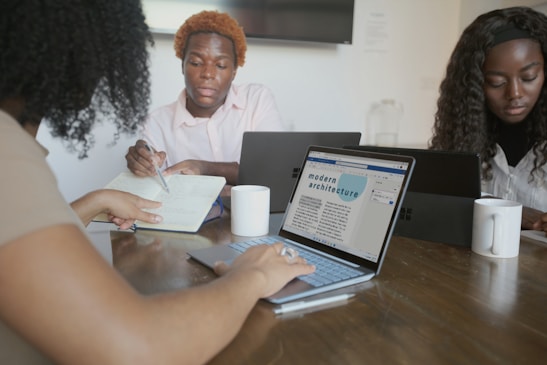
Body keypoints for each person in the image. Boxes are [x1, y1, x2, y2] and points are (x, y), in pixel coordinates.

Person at [0, 1, 314, 364]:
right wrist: (254, 276)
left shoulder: (12, 145)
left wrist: (96, 200)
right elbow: (137, 349)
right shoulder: (7, 152)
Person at [125, 10, 285, 187]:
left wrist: (204, 168)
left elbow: (273, 171)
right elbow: (152, 188)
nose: (208, 74)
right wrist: (142, 163)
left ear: (234, 71)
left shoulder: (256, 100)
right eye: (196, 63)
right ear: (182, 66)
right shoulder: (157, 122)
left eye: (221, 65)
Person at [429, 6, 547, 232]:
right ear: (474, 84)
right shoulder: (462, 138)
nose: (514, 93)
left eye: (528, 77)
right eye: (496, 82)